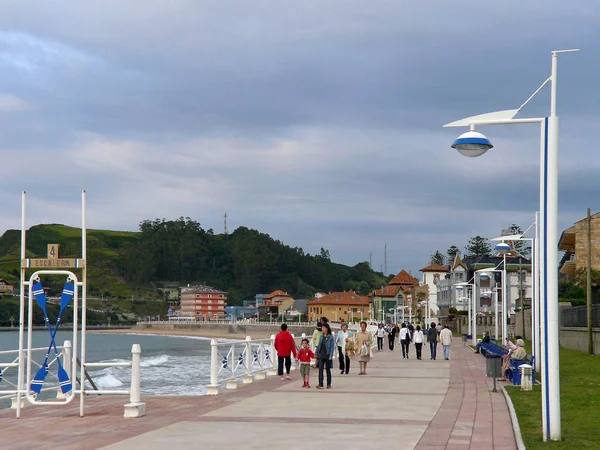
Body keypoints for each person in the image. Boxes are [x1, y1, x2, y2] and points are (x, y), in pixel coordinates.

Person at [316, 323, 335, 389]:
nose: (322, 329)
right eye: (322, 328)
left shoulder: (331, 337)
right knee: (320, 370)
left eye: (323, 328)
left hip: (327, 355)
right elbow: (319, 345)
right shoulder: (321, 336)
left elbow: (332, 346)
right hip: (321, 354)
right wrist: (317, 353)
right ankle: (320, 383)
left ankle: (328, 384)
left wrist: (331, 355)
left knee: (328, 370)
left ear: (327, 328)